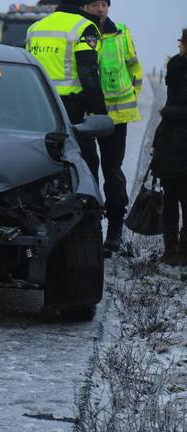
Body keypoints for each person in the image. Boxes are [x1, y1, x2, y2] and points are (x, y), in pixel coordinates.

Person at [81, 0, 143, 254]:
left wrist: (132, 95)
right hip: (85, 117)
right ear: (84, 7)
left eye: (104, 4)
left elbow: (134, 67)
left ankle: (115, 230)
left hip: (117, 117)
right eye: (94, 4)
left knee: (112, 172)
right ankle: (90, 228)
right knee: (87, 172)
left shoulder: (122, 33)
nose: (100, 9)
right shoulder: (80, 32)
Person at [26, 0, 108, 176]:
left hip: (36, 106)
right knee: (86, 163)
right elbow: (88, 74)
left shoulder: (35, 28)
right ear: (82, 5)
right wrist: (100, 114)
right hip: (70, 110)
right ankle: (86, 201)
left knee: (41, 159)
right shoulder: (85, 27)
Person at [151, 28, 187, 267]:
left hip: (181, 143)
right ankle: (170, 250)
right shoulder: (176, 68)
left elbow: (173, 107)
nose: (180, 46)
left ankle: (183, 253)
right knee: (170, 198)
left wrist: (168, 112)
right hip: (170, 142)